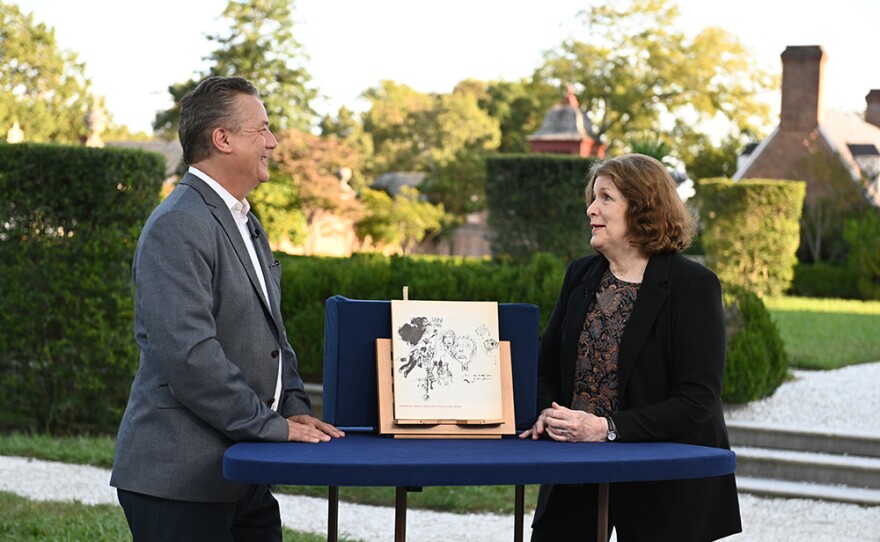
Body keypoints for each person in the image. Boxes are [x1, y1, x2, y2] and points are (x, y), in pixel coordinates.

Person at [110, 76, 344, 541]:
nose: (273, 142)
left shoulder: (246, 221)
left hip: (243, 475)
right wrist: (271, 427)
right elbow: (190, 357)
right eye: (262, 130)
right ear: (223, 139)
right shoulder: (178, 224)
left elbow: (273, 335)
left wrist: (294, 408)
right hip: (180, 483)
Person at [520, 154, 742, 541]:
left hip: (663, 479)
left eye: (606, 198)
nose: (591, 208)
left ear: (642, 208)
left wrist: (606, 429)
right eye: (593, 197)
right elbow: (545, 365)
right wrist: (546, 411)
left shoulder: (693, 286)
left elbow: (696, 401)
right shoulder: (580, 274)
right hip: (576, 468)